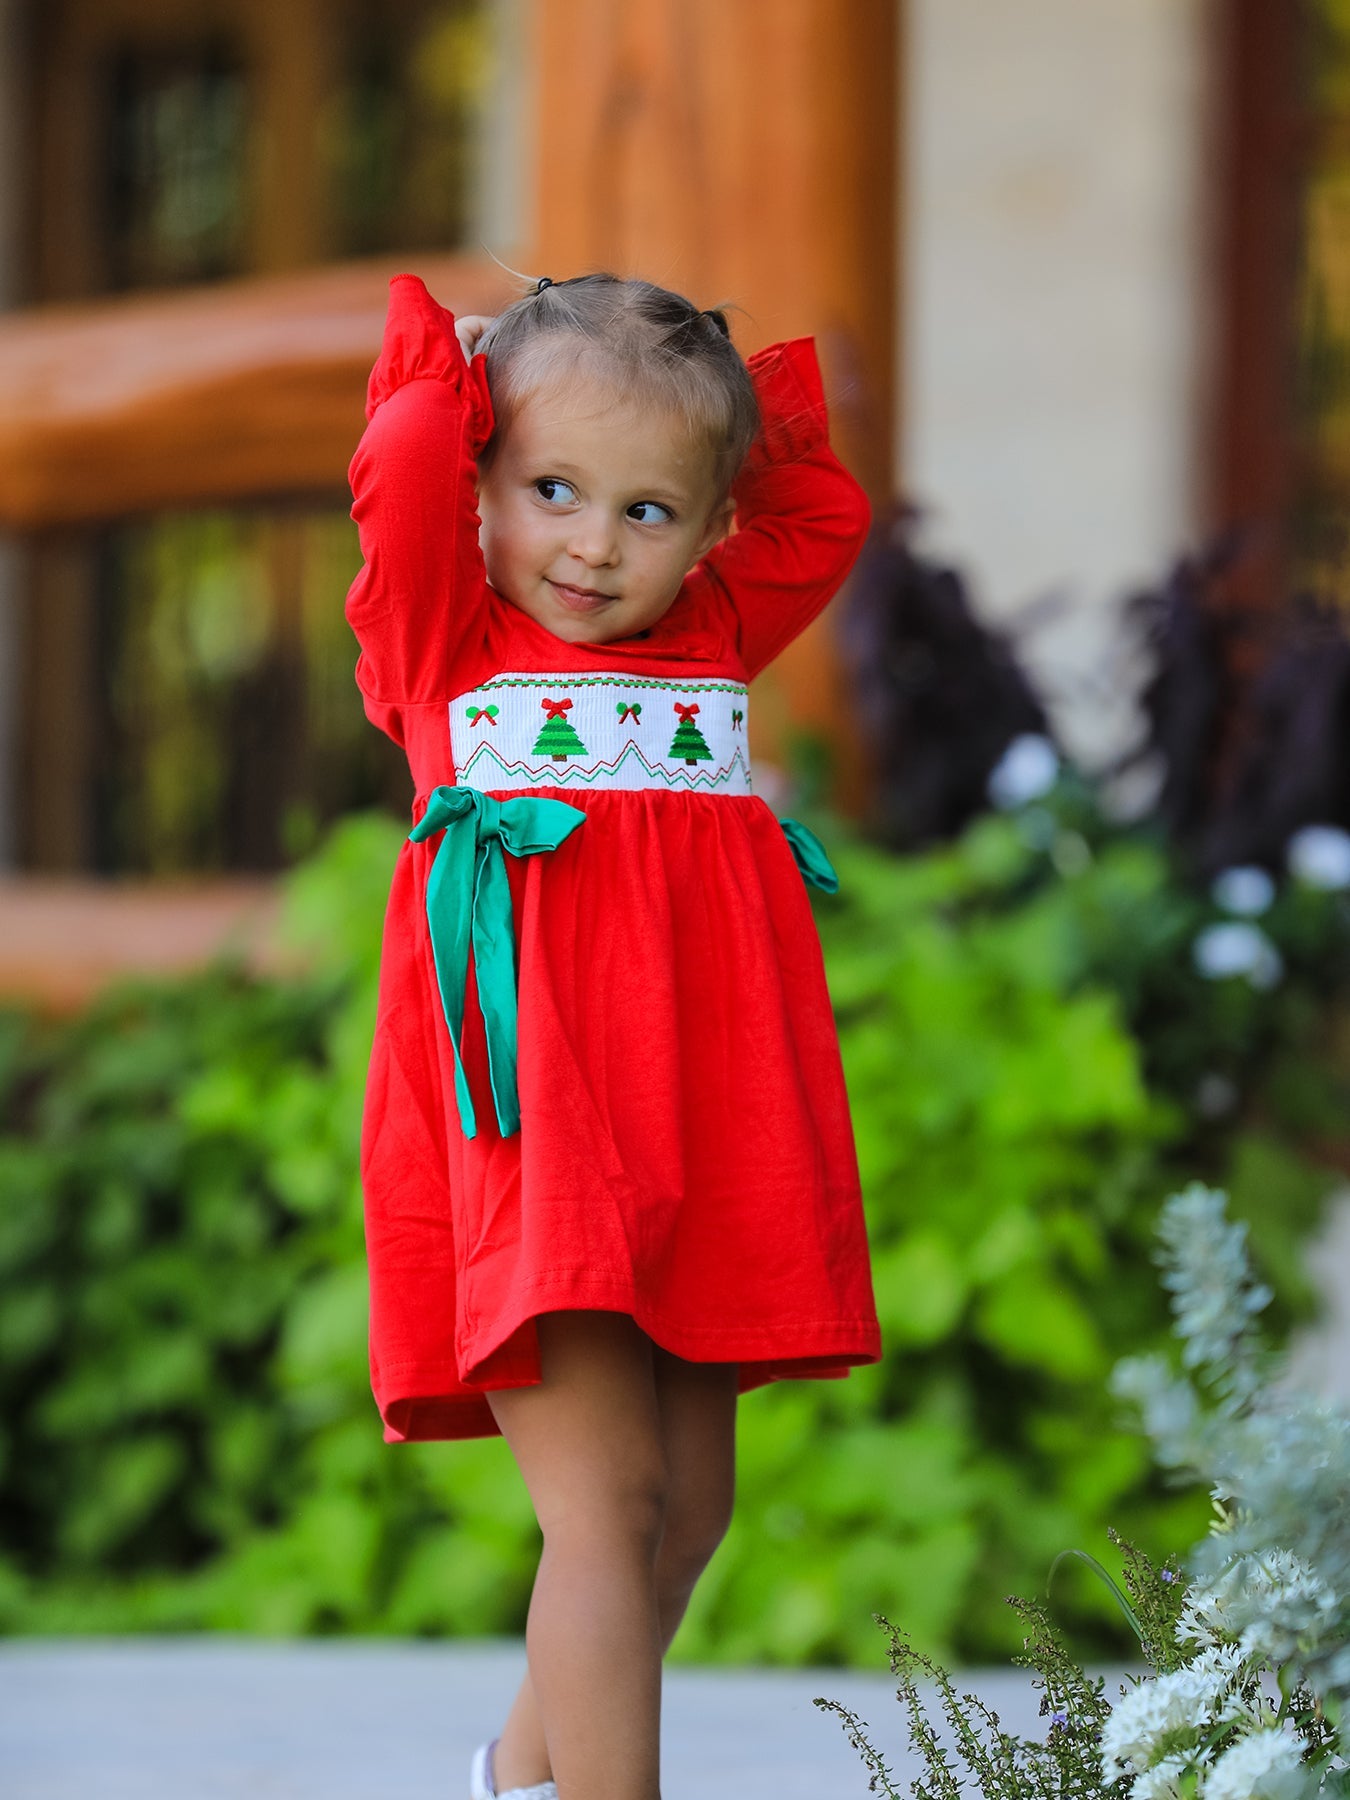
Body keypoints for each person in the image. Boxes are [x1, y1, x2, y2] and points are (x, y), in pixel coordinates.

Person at [345, 270, 882, 1800]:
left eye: (649, 510)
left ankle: (514, 1777)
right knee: (610, 1503)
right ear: (483, 489)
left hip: (701, 1131)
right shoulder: (445, 645)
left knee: (687, 1515)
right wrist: (448, 376)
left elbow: (821, 515)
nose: (592, 543)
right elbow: (391, 466)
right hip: (533, 1130)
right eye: (552, 488)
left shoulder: (710, 626)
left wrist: (713, 395)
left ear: (711, 531)